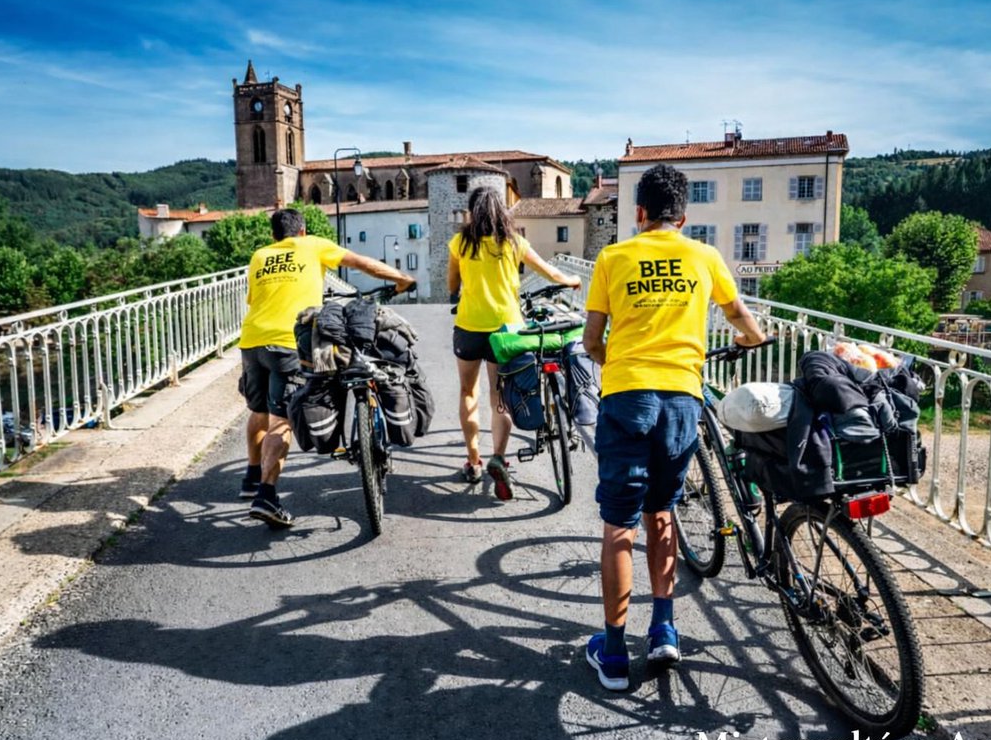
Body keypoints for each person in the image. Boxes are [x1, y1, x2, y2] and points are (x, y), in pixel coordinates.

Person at [581, 164, 767, 690]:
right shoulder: (704, 256)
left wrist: (618, 363)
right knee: (661, 513)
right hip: (682, 399)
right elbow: (742, 319)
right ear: (682, 218)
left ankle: (613, 654)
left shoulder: (613, 258)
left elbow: (592, 340)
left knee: (619, 526)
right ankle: (663, 630)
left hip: (627, 396)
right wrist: (751, 341)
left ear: (639, 212)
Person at [240, 208, 415, 528]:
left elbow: (254, 299)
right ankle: (266, 495)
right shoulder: (314, 245)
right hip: (287, 342)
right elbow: (362, 263)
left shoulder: (259, 256)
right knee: (281, 420)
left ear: (274, 236)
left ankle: (251, 477)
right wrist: (401, 279)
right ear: (302, 232)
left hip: (252, 341)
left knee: (258, 410)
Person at [447, 186, 581, 500]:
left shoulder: (460, 243)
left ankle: (473, 461)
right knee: (500, 396)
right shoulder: (514, 243)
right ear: (502, 211)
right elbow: (549, 271)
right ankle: (498, 457)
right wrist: (572, 280)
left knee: (468, 392)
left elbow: (452, 284)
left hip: (469, 328)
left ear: (473, 212)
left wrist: (461, 291)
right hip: (507, 331)